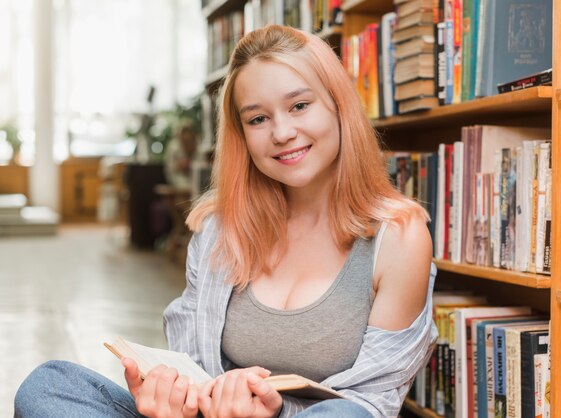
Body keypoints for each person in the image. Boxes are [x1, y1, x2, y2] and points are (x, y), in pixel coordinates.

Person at [14, 25, 437, 418]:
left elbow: (372, 400)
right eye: (258, 118)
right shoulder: (219, 229)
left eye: (300, 105)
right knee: (50, 386)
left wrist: (271, 410)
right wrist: (175, 398)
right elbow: (194, 367)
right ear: (242, 136)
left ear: (339, 108)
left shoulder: (399, 236)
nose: (282, 132)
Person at [164, 120, 199, 189]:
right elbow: (169, 170)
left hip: (195, 180)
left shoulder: (199, 148)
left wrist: (191, 165)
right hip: (178, 181)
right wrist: (178, 166)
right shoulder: (173, 147)